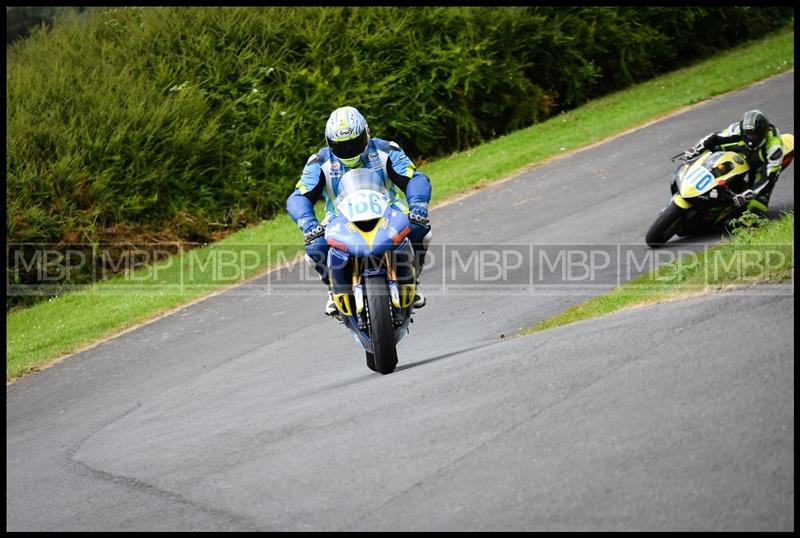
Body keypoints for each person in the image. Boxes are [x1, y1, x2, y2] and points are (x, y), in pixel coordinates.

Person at [286, 106, 432, 315]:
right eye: (341, 147)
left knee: (420, 229)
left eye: (354, 143)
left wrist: (418, 205)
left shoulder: (386, 150)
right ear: (329, 143)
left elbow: (414, 178)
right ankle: (333, 288)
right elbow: (299, 196)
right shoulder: (319, 162)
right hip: (339, 219)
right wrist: (308, 223)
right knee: (315, 246)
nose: (349, 151)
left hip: (387, 212)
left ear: (366, 134)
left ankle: (412, 279)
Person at [687, 109, 787, 214]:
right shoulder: (736, 130)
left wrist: (750, 193)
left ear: (763, 133)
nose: (751, 137)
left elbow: (769, 179)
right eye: (748, 134)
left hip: (760, 168)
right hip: (738, 157)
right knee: (711, 149)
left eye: (754, 135)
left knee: (756, 209)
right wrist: (696, 149)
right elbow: (714, 137)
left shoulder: (774, 148)